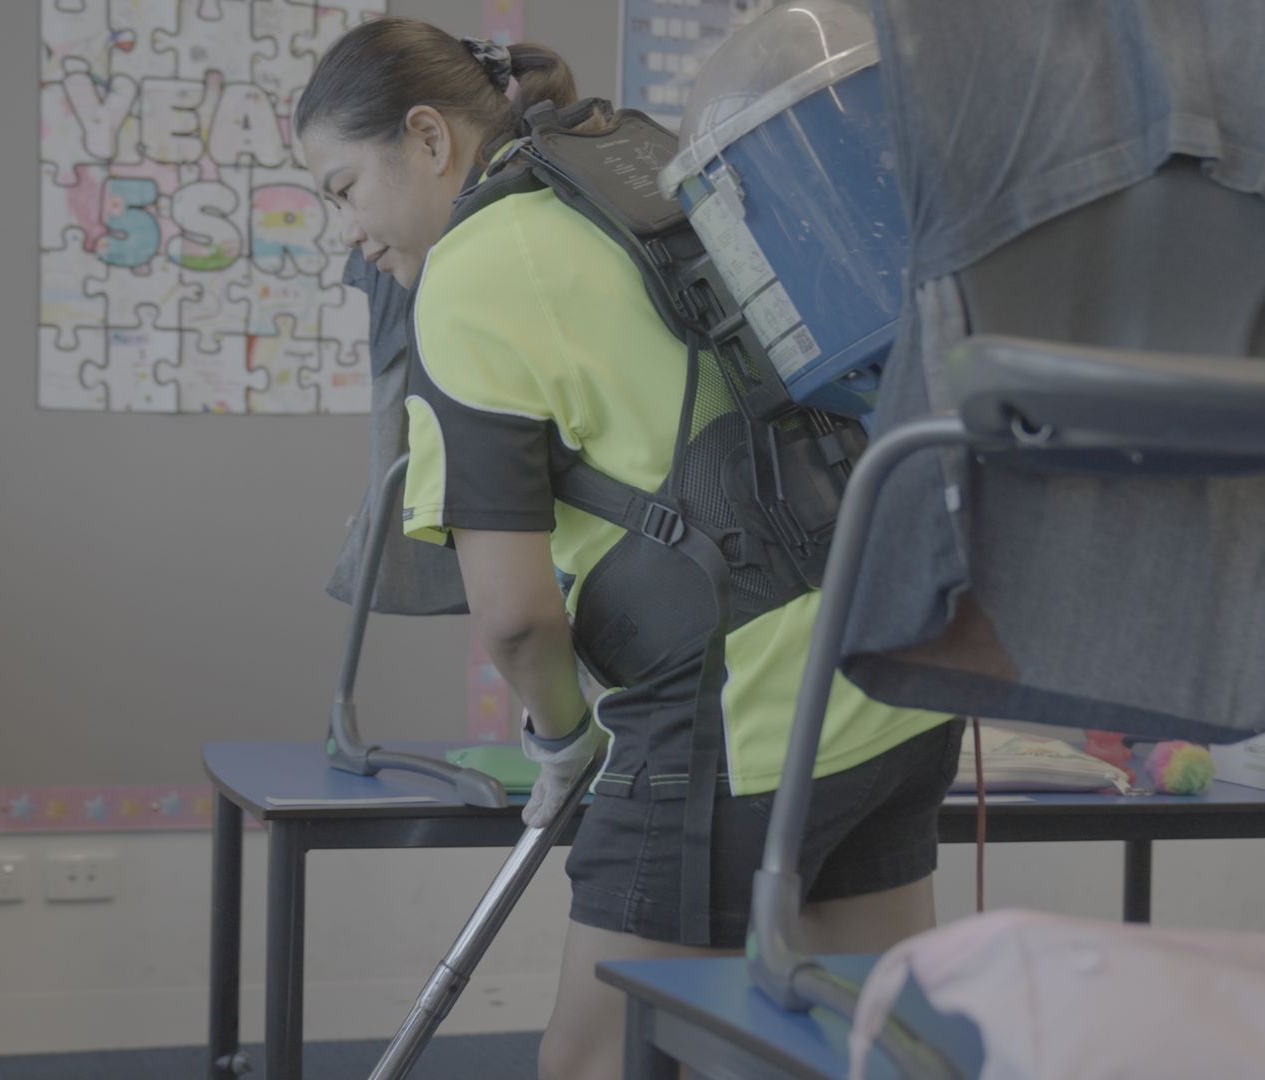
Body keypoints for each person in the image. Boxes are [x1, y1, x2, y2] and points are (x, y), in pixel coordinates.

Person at [294, 18, 961, 1080]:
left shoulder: (469, 274)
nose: (348, 232)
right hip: (893, 652)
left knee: (595, 1061)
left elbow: (514, 612)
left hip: (731, 723)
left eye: (341, 189)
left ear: (426, 137)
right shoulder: (643, 159)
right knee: (855, 1045)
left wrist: (561, 742)